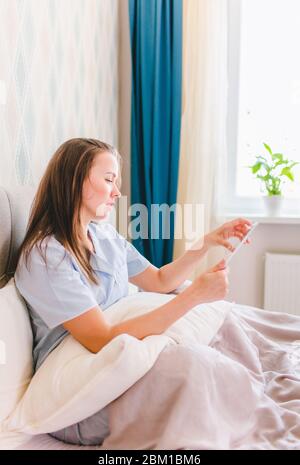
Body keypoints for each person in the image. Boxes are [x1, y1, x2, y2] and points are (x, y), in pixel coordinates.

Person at [15, 137, 252, 446]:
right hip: (81, 391)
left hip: (121, 358)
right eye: (109, 179)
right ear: (75, 180)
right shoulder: (46, 257)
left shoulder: (103, 235)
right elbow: (100, 337)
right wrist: (193, 297)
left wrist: (206, 243)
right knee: (195, 366)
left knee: (224, 332)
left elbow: (160, 280)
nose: (117, 192)